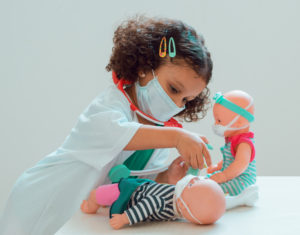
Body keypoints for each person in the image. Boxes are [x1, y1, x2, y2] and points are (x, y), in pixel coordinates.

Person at [0, 15, 213, 235]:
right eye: (174, 89)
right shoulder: (110, 106)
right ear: (145, 68)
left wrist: (166, 177)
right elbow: (118, 134)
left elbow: (133, 183)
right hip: (41, 201)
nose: (177, 104)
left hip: (83, 218)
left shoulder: (159, 131)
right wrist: (177, 138)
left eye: (186, 100)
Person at [81, 175, 226, 229]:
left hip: (132, 195)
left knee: (105, 194)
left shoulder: (164, 202)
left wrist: (126, 217)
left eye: (191, 185)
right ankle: (91, 205)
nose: (192, 180)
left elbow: (148, 204)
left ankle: (96, 200)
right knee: (99, 194)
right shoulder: (179, 201)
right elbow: (146, 204)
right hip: (134, 191)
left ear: (183, 206)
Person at [207, 90, 257, 196]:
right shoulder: (231, 139)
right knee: (207, 181)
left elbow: (241, 164)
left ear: (239, 123)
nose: (215, 124)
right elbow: (230, 160)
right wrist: (218, 167)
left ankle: (243, 196)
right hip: (231, 174)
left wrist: (224, 176)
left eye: (219, 121)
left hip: (243, 178)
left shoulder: (244, 143)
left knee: (214, 189)